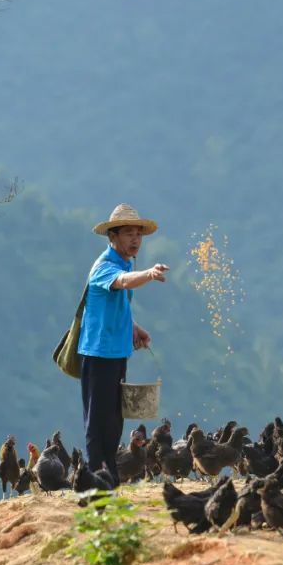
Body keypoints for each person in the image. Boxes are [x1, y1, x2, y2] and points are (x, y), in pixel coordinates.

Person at [77, 204, 169, 486]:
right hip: (98, 353)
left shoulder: (125, 262)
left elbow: (117, 302)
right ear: (113, 237)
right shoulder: (105, 267)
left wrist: (133, 327)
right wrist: (149, 275)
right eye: (128, 234)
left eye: (138, 234)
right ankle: (94, 480)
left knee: (115, 420)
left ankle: (110, 477)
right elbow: (122, 283)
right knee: (97, 421)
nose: (135, 240)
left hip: (117, 352)